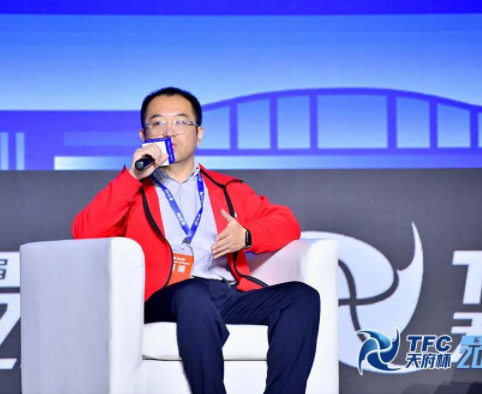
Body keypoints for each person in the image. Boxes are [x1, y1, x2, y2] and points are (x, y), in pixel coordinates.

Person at [72, 87, 320, 394]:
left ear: (198, 134)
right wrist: (132, 178)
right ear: (143, 135)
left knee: (301, 297)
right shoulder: (131, 192)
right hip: (163, 298)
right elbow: (85, 234)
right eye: (157, 123)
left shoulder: (227, 188)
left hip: (224, 294)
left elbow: (286, 223)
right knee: (193, 294)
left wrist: (247, 236)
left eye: (180, 122)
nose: (169, 131)